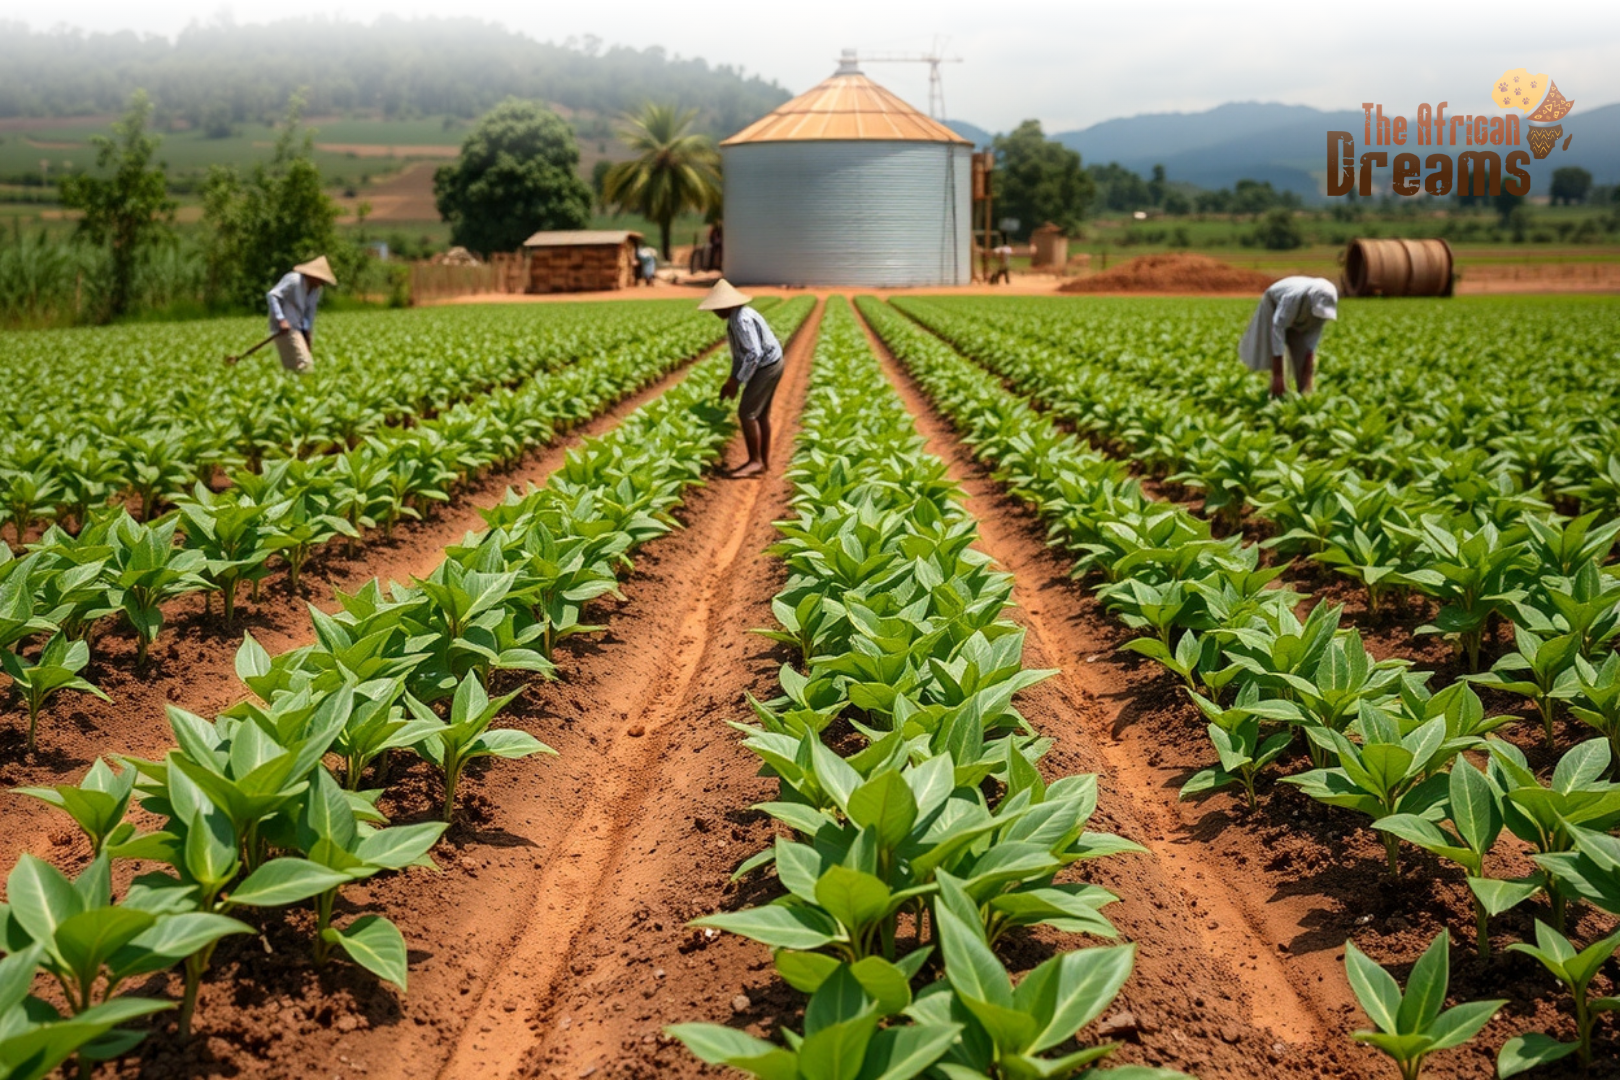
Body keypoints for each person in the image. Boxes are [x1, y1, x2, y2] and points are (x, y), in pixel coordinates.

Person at [699, 279, 783, 478]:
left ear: (727, 305)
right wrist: (732, 379)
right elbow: (741, 355)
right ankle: (763, 462)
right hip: (772, 362)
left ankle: (755, 461)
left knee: (747, 413)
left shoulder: (741, 320)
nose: (715, 312)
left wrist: (737, 381)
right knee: (760, 414)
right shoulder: (737, 317)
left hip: (767, 366)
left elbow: (753, 354)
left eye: (717, 308)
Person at [1238, 276, 1338, 397]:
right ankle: (1275, 393)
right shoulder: (1293, 297)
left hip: (1298, 311)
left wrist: (1307, 370)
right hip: (1273, 304)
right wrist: (1278, 375)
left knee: (1302, 355)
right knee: (1269, 350)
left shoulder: (1324, 307)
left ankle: (1303, 396)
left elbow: (1312, 339)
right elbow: (1278, 329)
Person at [265, 255, 337, 373]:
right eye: (321, 280)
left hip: (297, 328)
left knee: (297, 366)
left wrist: (308, 334)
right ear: (313, 275)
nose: (321, 283)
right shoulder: (294, 280)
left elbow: (309, 313)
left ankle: (294, 388)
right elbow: (273, 296)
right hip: (284, 328)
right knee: (304, 365)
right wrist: (281, 319)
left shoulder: (315, 290)